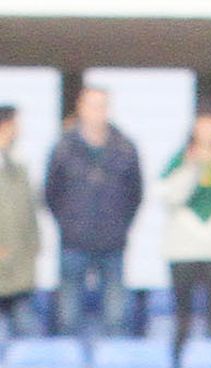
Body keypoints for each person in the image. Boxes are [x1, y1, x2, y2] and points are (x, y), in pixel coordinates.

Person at [44, 85, 141, 336]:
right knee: (68, 314)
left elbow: (135, 195)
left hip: (113, 241)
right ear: (81, 109)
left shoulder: (125, 148)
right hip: (73, 241)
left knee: (116, 316)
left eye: (102, 106)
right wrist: (69, 223)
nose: (98, 112)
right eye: (92, 106)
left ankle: (115, 364)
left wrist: (119, 224)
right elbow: (51, 194)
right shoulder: (63, 148)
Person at [159, 111, 211, 350]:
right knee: (183, 316)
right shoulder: (181, 159)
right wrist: (192, 167)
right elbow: (170, 197)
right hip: (184, 247)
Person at [0, 106, 41, 335]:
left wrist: (34, 245)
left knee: (25, 336)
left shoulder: (19, 168)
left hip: (20, 270)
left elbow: (29, 212)